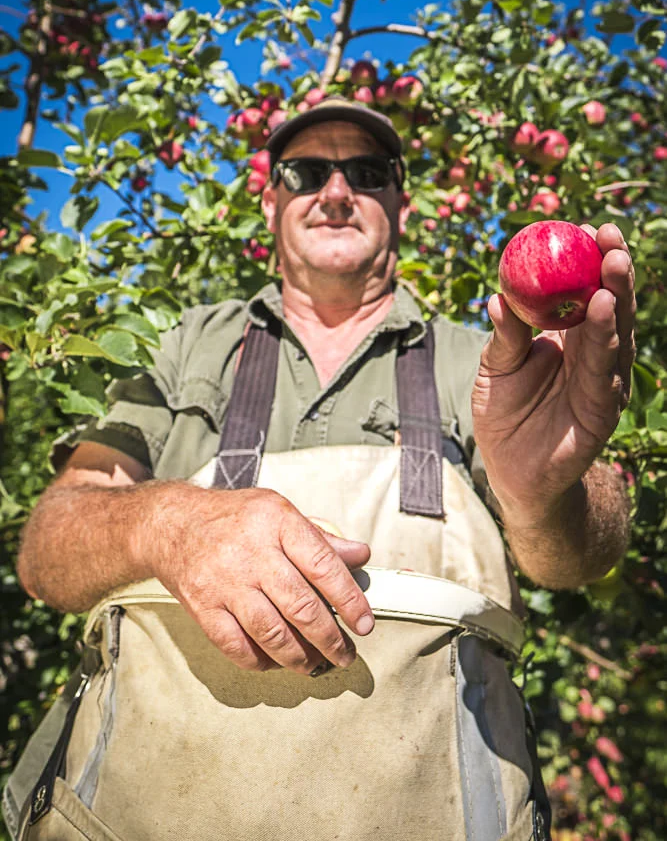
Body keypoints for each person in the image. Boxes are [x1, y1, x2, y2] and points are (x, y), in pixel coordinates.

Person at [11, 98, 634, 841]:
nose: (336, 193)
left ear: (400, 202)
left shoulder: (489, 360)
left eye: (366, 173)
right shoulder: (185, 347)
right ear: (271, 201)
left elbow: (580, 559)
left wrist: (546, 498)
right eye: (306, 172)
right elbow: (47, 546)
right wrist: (167, 521)